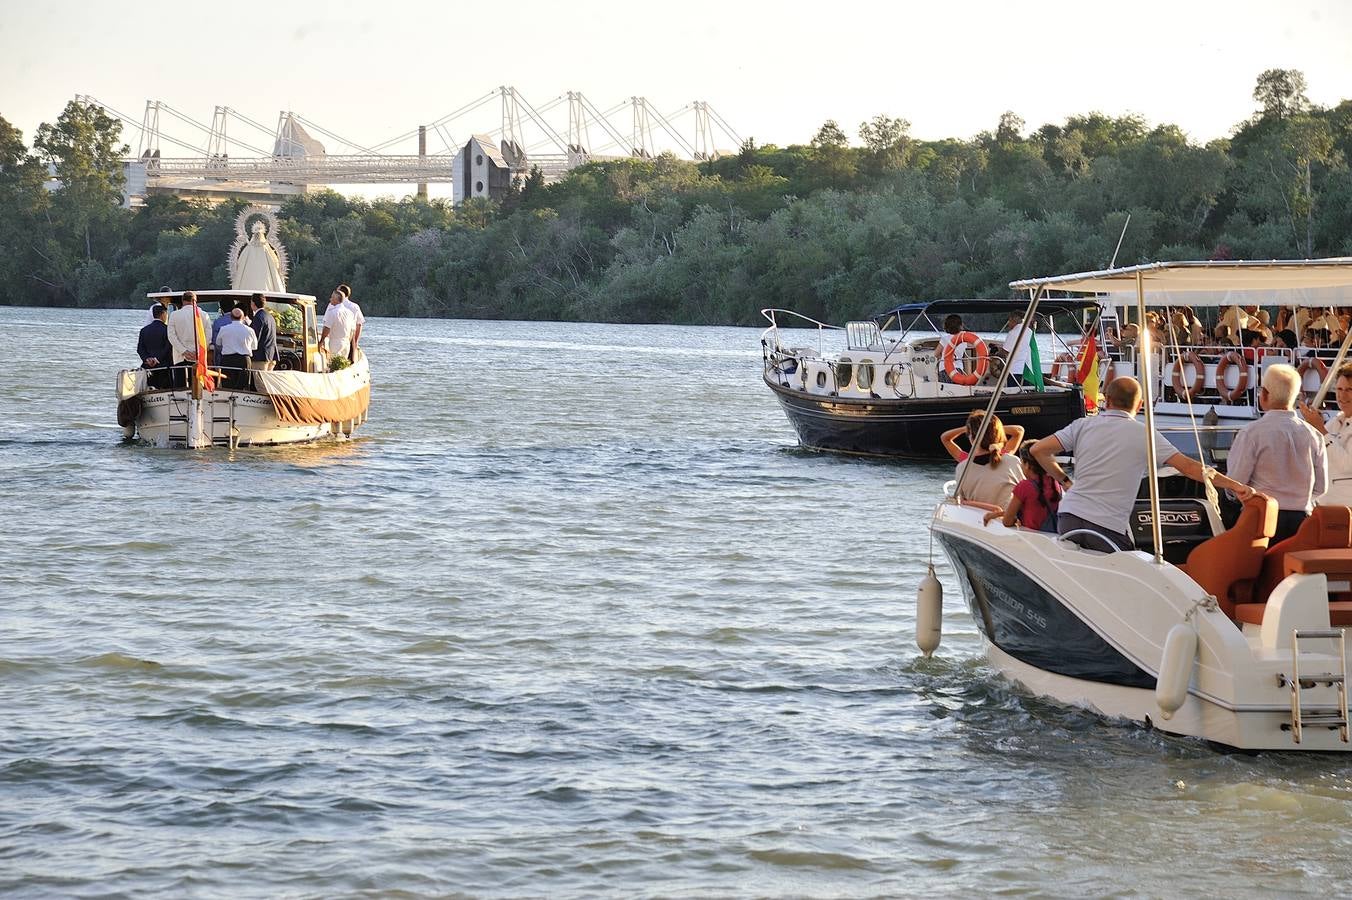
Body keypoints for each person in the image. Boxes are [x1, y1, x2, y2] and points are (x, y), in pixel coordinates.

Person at [1031, 376, 1258, 552]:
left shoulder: (1081, 426)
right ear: (1139, 405)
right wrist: (1233, 485)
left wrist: (1065, 480)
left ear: (1107, 400)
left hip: (1069, 516)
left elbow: (1037, 450)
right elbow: (1189, 467)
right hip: (1106, 525)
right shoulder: (1145, 434)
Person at [1224, 364, 1327, 542]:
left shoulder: (1252, 433)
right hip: (1302, 522)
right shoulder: (1314, 435)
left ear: (1264, 394)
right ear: (1295, 397)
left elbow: (1235, 484)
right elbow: (1320, 488)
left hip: (1261, 520)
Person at [1300, 363, 1352, 507]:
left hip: (1347, 508)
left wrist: (1321, 430)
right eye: (1339, 389)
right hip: (1324, 505)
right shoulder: (1334, 423)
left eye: (1349, 390)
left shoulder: (1328, 427)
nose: (1342, 395)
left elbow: (1347, 465)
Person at [983, 442, 1063, 531]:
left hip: (1029, 538)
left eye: (1021, 462)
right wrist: (999, 514)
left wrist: (998, 515)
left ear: (1027, 465)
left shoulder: (1024, 486)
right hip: (1049, 536)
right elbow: (1035, 510)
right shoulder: (1054, 482)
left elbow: (1007, 522)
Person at [953, 412, 1024, 508]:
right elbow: (1026, 494)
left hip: (975, 520)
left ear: (971, 438)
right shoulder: (1013, 462)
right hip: (1006, 520)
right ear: (999, 435)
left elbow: (961, 501)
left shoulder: (961, 468)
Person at [166, 292, 213, 386]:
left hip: (180, 357)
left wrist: (183, 351)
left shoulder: (174, 315)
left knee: (180, 386)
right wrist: (198, 352)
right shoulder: (204, 315)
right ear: (195, 301)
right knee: (198, 386)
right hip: (199, 357)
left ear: (183, 301)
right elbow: (208, 336)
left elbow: (171, 336)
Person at [940, 415, 1024, 462]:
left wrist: (967, 428)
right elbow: (1019, 431)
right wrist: (991, 428)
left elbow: (945, 438)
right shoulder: (1004, 456)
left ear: (972, 438)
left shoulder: (966, 461)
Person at [215, 307, 258, 389]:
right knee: (242, 387)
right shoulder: (250, 330)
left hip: (227, 360)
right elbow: (254, 347)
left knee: (227, 387)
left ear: (230, 317)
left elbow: (218, 343)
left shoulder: (223, 329)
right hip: (244, 360)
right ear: (243, 317)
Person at [136, 303, 173, 389]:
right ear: (164, 314)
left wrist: (147, 359)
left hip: (148, 366)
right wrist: (157, 359)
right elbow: (168, 347)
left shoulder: (144, 330)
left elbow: (140, 348)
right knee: (164, 388)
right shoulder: (167, 329)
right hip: (163, 365)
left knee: (150, 387)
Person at [318, 289, 356, 365]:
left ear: (336, 299)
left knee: (334, 364)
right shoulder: (350, 313)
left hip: (336, 342)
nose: (330, 299)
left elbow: (327, 328)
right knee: (343, 364)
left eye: (332, 297)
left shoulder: (332, 312)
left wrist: (321, 341)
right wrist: (348, 341)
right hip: (346, 342)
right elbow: (352, 330)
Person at [999, 312, 1033, 386]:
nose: (1008, 324)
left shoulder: (1013, 333)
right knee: (1026, 391)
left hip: (1014, 370)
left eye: (1009, 321)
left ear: (1013, 321)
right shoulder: (1030, 332)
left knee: (1013, 391)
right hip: (1027, 370)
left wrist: (994, 355)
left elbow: (1004, 352)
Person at [249, 294, 278, 371]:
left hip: (260, 357)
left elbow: (255, 337)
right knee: (267, 381)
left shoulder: (258, 317)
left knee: (259, 382)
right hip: (271, 354)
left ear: (253, 303)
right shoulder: (270, 316)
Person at [337, 284, 365, 359]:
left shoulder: (334, 305)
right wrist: (356, 341)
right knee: (351, 358)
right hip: (351, 334)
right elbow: (359, 324)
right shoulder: (355, 306)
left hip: (337, 335)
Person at [937, 314, 964, 383]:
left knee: (946, 390)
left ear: (946, 326)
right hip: (958, 369)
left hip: (945, 369)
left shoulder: (944, 339)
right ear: (960, 325)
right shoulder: (964, 339)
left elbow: (936, 353)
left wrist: (942, 358)